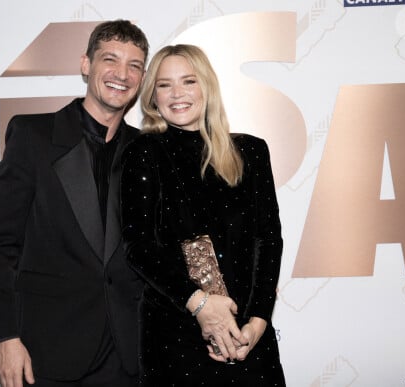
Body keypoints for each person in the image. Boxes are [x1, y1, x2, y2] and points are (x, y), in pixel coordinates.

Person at [0, 20, 149, 387]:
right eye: (110, 60)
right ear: (86, 64)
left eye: (134, 65)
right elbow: (1, 244)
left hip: (127, 354)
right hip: (48, 350)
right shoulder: (33, 136)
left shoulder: (147, 151)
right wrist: (6, 337)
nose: (122, 74)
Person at [120, 44, 285, 386]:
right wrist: (201, 306)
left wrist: (258, 321)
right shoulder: (143, 151)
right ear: (152, 96)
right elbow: (138, 247)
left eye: (188, 81)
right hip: (176, 333)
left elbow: (268, 241)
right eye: (164, 85)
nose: (177, 94)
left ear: (206, 87)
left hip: (248, 335)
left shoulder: (252, 151)